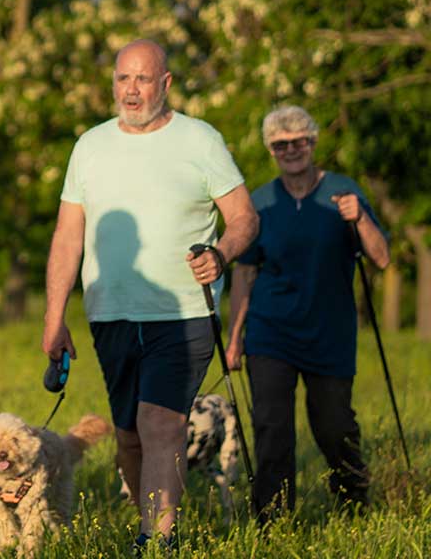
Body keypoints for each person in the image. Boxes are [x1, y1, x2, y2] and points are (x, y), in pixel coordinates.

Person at [41, 40, 259, 551]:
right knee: (129, 436)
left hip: (182, 312)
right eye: (122, 79)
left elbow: (245, 218)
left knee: (160, 421)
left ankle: (155, 540)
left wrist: (222, 253)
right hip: (110, 312)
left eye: (142, 80)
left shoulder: (201, 140)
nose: (131, 91)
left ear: (165, 83)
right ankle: (149, 518)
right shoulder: (90, 146)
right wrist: (55, 318)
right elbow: (68, 235)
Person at [226, 105, 389, 522]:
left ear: (313, 143)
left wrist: (361, 221)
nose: (291, 150)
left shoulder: (342, 192)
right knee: (271, 429)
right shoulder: (259, 203)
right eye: (281, 145)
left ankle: (354, 506)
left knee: (335, 427)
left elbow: (382, 259)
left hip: (330, 332)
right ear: (271, 150)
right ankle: (273, 522)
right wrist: (234, 338)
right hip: (270, 333)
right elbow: (245, 273)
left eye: (299, 141)